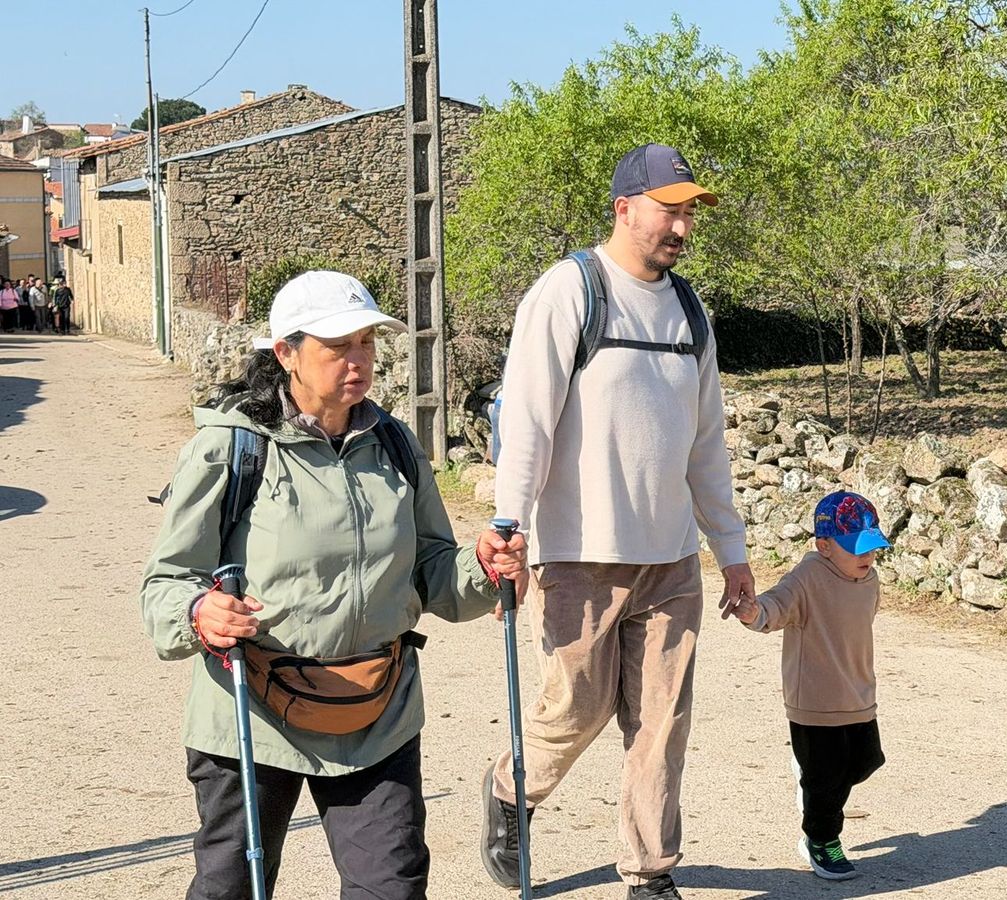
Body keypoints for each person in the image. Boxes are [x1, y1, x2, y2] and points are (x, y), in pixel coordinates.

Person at [141, 270, 527, 900]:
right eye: (337, 346)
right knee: (231, 887)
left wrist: (484, 569)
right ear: (286, 353)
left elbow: (432, 571)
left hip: (376, 707)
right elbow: (166, 581)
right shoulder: (230, 449)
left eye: (367, 344)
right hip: (252, 707)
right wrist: (199, 612)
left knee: (392, 886)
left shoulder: (396, 446)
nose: (358, 361)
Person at [485, 143, 753, 900]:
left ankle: (649, 872)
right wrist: (511, 522)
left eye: (690, 211)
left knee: (661, 725)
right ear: (624, 206)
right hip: (578, 553)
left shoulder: (689, 310)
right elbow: (529, 421)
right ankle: (512, 790)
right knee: (576, 711)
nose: (683, 227)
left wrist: (728, 552)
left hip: (669, 562)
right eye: (670, 210)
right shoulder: (570, 291)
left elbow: (707, 442)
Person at [726, 490, 889, 882]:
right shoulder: (808, 577)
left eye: (873, 547)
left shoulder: (868, 579)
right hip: (815, 701)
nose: (867, 557)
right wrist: (753, 611)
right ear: (825, 546)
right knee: (826, 781)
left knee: (866, 761)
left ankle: (814, 781)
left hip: (858, 695)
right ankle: (821, 840)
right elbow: (775, 606)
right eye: (857, 548)